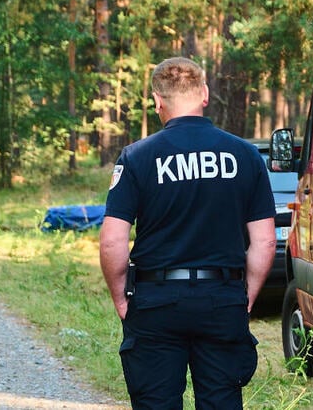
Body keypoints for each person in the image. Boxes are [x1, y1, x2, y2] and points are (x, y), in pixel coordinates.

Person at [99, 56, 277, 410]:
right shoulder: (245, 156)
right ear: (205, 94)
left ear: (157, 101)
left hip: (156, 300)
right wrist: (247, 296)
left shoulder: (137, 157)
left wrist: (121, 298)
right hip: (222, 298)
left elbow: (113, 239)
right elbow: (265, 240)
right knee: (222, 402)